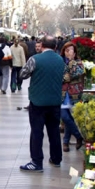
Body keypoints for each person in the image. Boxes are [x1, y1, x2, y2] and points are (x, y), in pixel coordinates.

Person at [19, 35, 65, 172]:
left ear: (42, 45)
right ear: (55, 47)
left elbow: (23, 74)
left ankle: (37, 162)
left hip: (38, 101)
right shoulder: (60, 60)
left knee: (37, 132)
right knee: (54, 130)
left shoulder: (35, 59)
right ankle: (56, 159)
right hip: (55, 101)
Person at [60, 42, 84, 152]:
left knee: (71, 118)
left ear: (75, 52)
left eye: (71, 50)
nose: (68, 52)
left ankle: (65, 142)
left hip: (74, 94)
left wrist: (72, 61)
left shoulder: (78, 63)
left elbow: (77, 73)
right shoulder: (60, 62)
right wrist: (66, 77)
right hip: (62, 95)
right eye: (66, 50)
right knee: (65, 118)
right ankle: (79, 136)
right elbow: (60, 77)